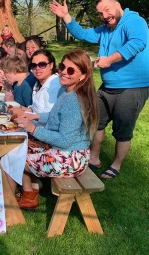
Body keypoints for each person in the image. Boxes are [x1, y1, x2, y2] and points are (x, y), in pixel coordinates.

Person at [49, 0, 149, 179]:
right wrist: (66, 16)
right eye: (101, 13)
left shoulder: (134, 21)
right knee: (96, 122)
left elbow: (138, 43)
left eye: (107, 10)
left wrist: (109, 60)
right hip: (108, 86)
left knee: (122, 130)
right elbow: (84, 34)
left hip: (132, 87)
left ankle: (116, 165)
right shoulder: (105, 29)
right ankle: (93, 158)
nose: (104, 15)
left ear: (117, 5)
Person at [12, 49, 99, 209]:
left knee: (14, 157)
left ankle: (13, 201)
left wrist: (33, 129)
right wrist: (35, 117)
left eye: (71, 70)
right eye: (62, 67)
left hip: (69, 159)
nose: (64, 72)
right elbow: (56, 117)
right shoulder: (69, 92)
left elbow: (64, 141)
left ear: (83, 75)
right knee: (18, 148)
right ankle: (31, 191)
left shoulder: (73, 100)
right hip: (69, 154)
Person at [12, 49, 61, 116]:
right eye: (34, 65)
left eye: (42, 64)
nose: (37, 68)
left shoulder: (54, 86)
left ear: (51, 65)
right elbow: (36, 108)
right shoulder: (38, 83)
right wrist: (21, 109)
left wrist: (25, 114)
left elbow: (50, 116)